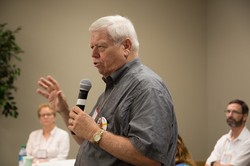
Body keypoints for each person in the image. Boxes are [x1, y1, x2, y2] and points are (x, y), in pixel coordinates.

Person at [36, 15, 178, 166]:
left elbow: (150, 158)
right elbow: (87, 139)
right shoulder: (112, 88)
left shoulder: (147, 88)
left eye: (101, 47)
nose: (93, 54)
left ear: (126, 46)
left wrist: (95, 133)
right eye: (92, 47)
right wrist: (64, 110)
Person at [205, 99, 250, 166]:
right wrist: (212, 163)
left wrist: (213, 163)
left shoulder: (248, 141)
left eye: (235, 112)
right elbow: (207, 164)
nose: (230, 115)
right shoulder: (223, 139)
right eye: (228, 111)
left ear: (245, 117)